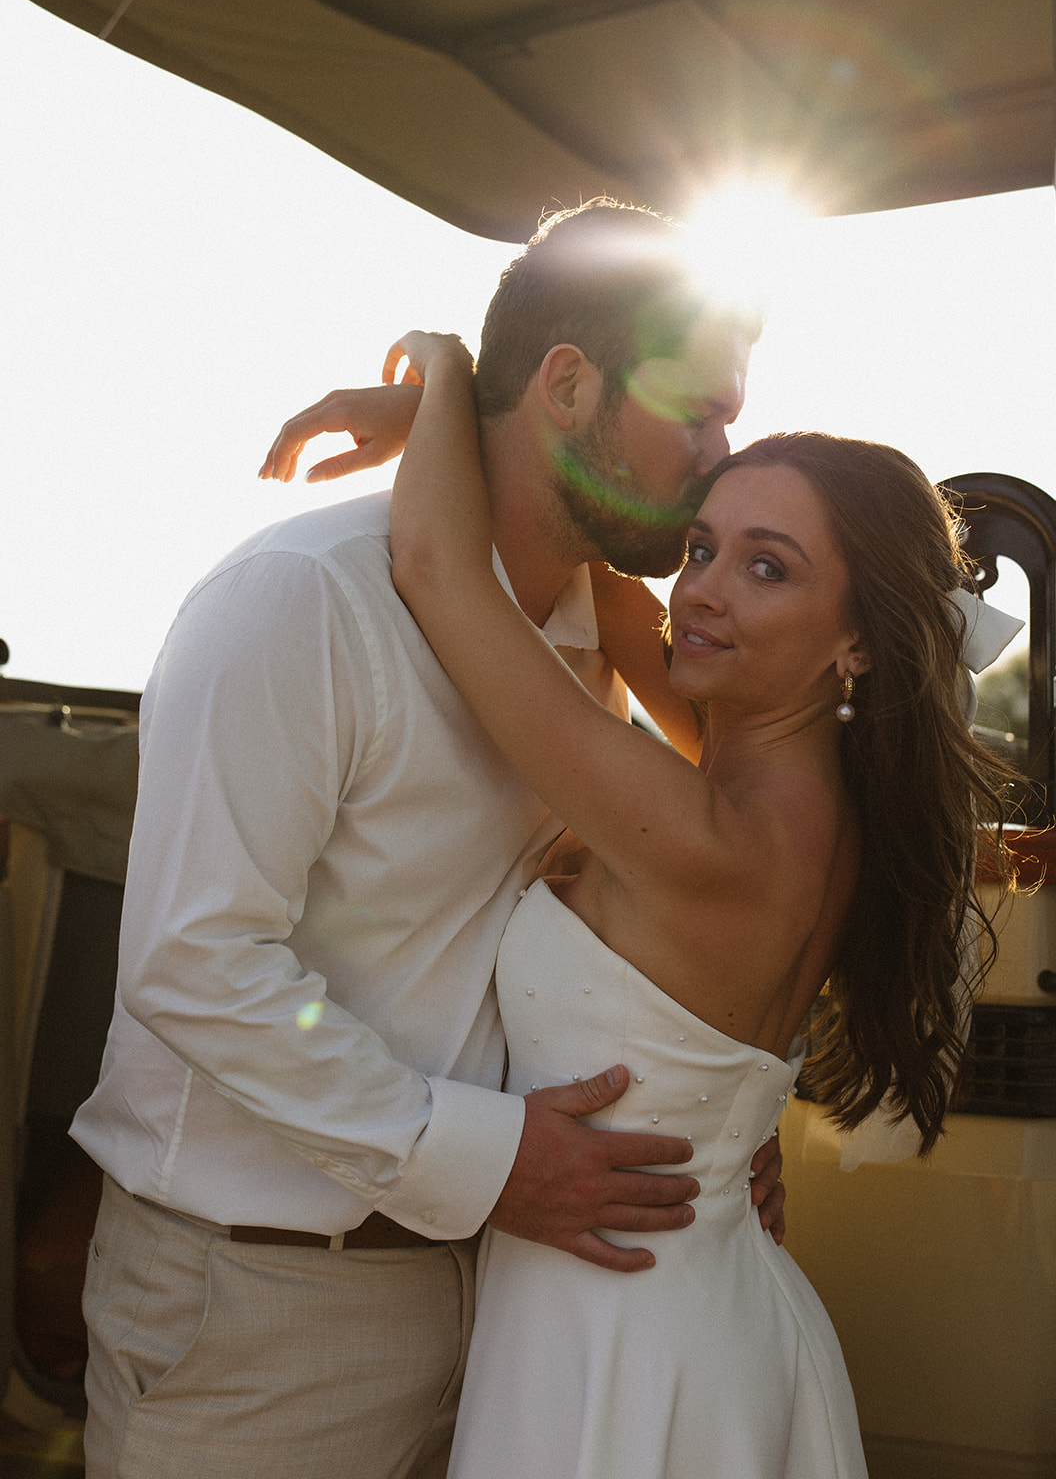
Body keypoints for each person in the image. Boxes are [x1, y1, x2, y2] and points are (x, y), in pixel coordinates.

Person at [70, 201, 783, 1479]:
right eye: (698, 411)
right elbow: (192, 959)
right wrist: (487, 1161)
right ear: (566, 385)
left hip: (512, 1295)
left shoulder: (601, 633)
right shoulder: (298, 604)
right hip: (262, 1308)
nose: (717, 457)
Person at [380, 328, 1015, 1479]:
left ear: (858, 643)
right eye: (704, 546)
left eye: (767, 567)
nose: (705, 594)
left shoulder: (710, 834)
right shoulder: (795, 783)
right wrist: (499, 445)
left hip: (622, 1334)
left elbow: (434, 565)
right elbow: (620, 596)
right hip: (694, 1296)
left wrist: (445, 374)